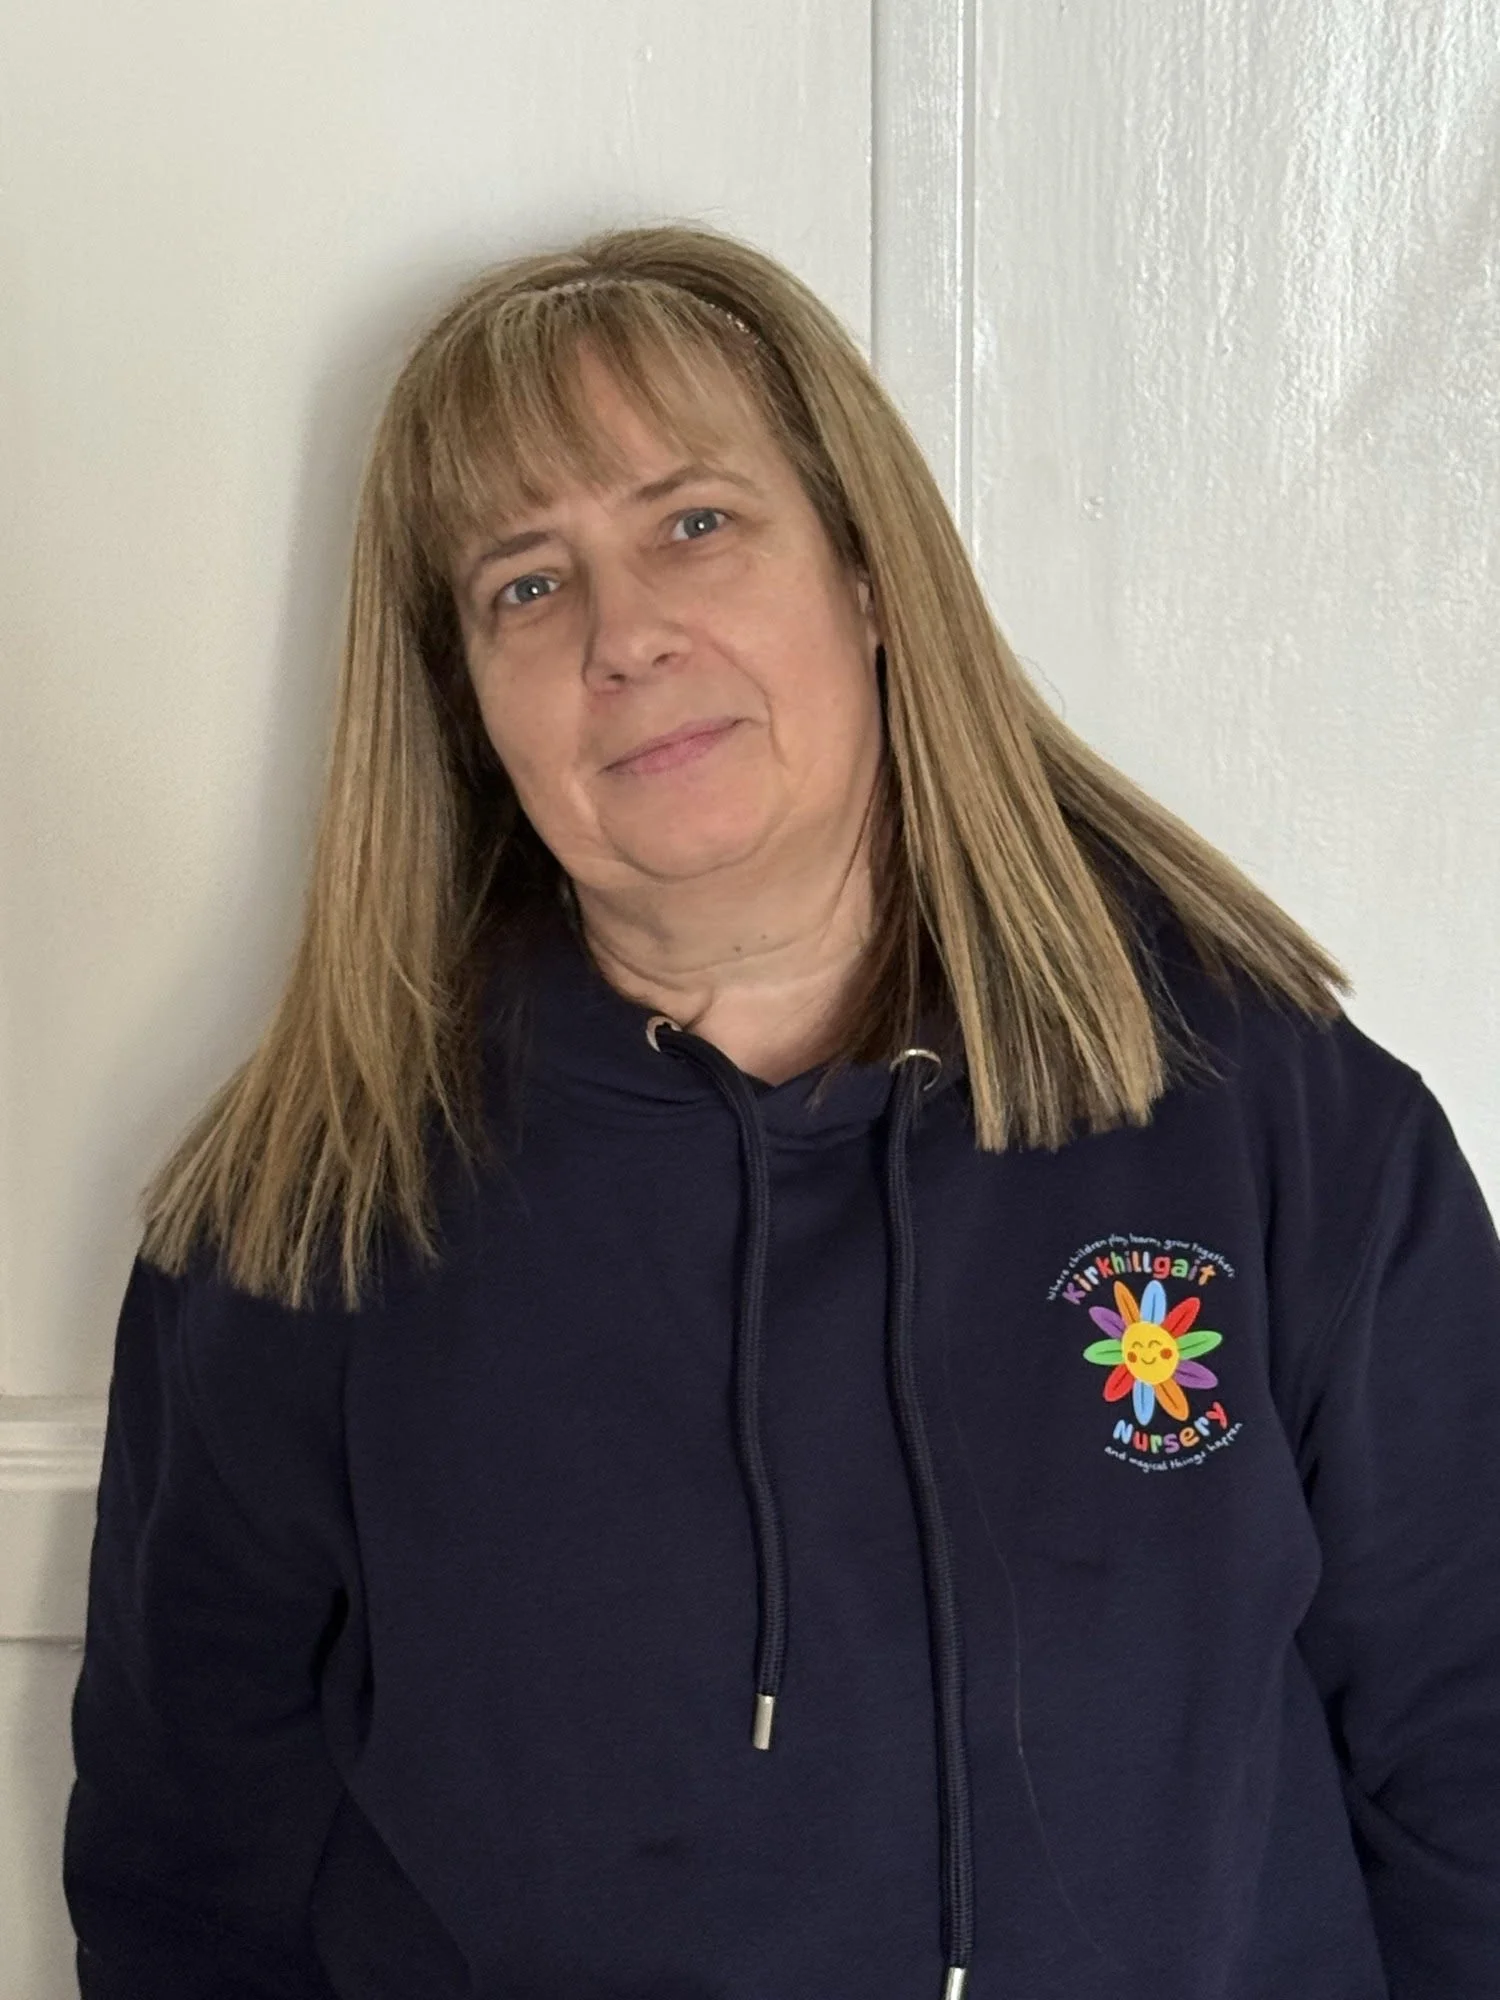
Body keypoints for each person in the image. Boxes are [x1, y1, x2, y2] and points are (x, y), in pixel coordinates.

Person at [63, 220, 1500, 2000]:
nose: (625, 636)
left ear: (868, 576)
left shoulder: (1268, 1117)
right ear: (465, 709)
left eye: (693, 523)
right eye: (526, 584)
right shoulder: (308, 1226)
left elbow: (1466, 1756)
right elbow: (188, 1891)